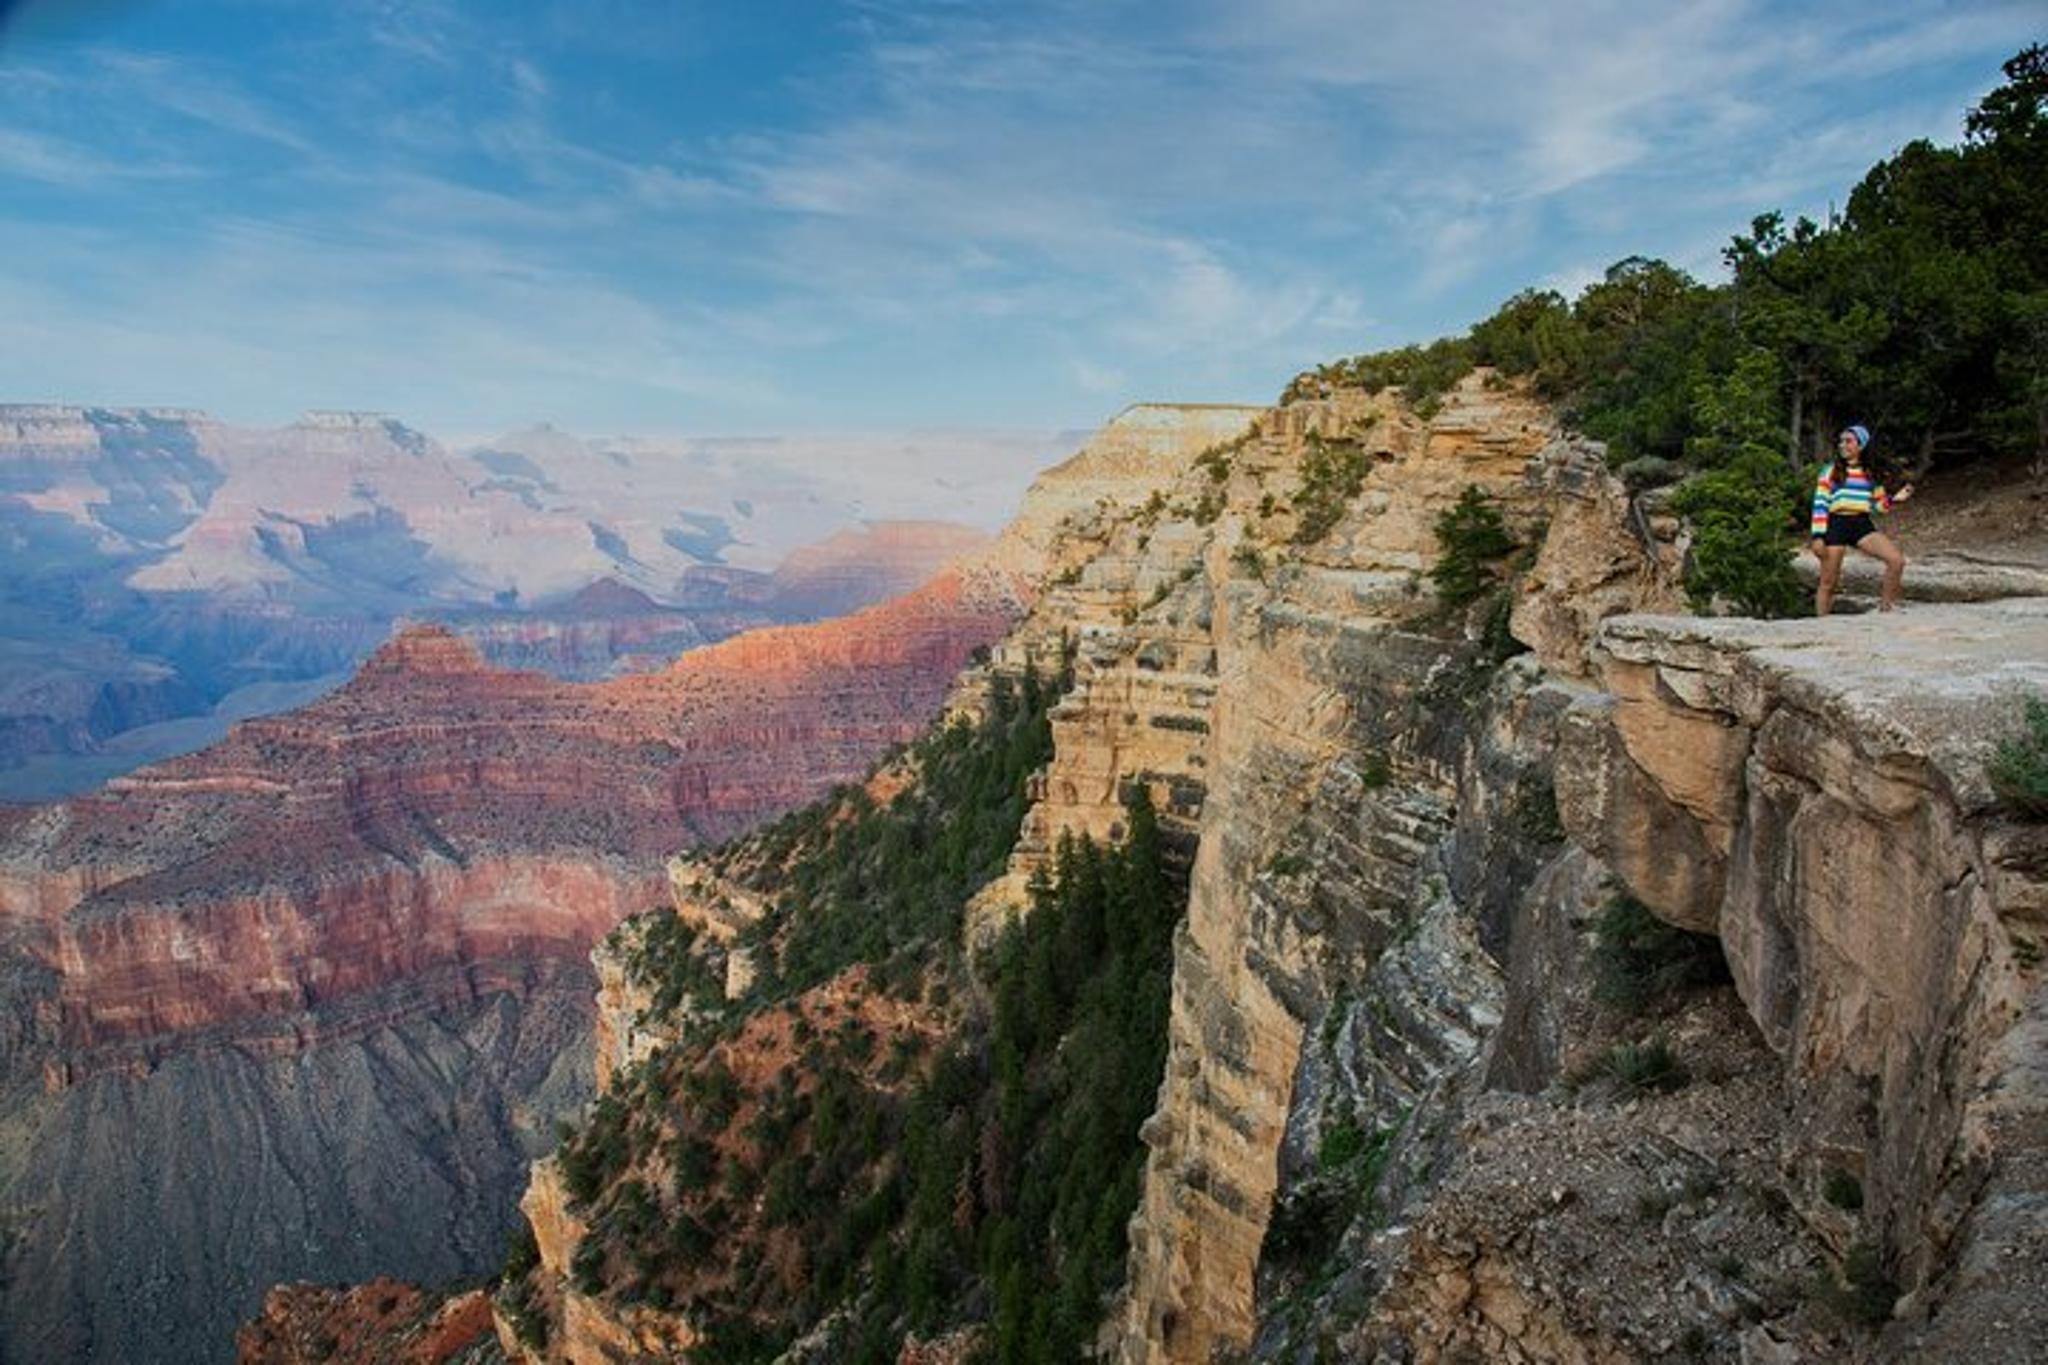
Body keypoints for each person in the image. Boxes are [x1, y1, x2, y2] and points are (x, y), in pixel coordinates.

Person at [1811, 424, 1913, 615]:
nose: (1842, 445)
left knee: (1896, 561)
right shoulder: (1830, 471)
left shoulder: (1871, 473)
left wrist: (1895, 499)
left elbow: (1877, 506)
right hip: (1835, 524)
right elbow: (1820, 504)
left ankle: (1886, 610)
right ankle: (1821, 626)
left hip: (1861, 523)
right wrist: (1817, 537)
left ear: (1861, 445)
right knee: (1828, 582)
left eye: (1848, 441)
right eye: (1841, 441)